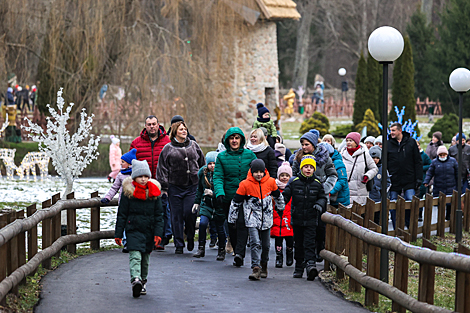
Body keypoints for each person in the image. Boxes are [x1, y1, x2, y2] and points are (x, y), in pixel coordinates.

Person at [114, 159, 164, 298]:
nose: (143, 179)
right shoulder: (128, 193)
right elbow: (122, 214)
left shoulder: (154, 193)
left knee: (145, 259)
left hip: (149, 230)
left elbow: (159, 215)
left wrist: (158, 234)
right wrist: (118, 233)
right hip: (133, 229)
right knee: (135, 255)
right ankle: (135, 279)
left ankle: (143, 281)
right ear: (134, 177)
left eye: (146, 176)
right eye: (140, 176)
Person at [229, 159, 285, 280]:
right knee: (255, 242)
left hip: (267, 217)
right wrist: (232, 219)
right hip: (252, 216)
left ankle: (264, 264)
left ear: (265, 171)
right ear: (251, 172)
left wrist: (280, 208)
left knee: (266, 245)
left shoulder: (270, 182)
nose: (259, 174)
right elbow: (236, 202)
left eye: (261, 172)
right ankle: (255, 267)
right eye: (256, 172)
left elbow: (278, 196)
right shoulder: (245, 184)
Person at [156, 121, 205, 254]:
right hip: (174, 187)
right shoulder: (168, 148)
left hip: (192, 186)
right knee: (176, 216)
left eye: (185, 129)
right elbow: (162, 169)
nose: (184, 131)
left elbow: (202, 164)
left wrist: (203, 180)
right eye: (181, 129)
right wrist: (164, 187)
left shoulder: (194, 145)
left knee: (190, 213)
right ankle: (179, 244)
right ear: (175, 132)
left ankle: (190, 236)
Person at [291, 129, 337, 261]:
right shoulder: (298, 158)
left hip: (319, 197)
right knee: (303, 227)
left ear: (313, 144)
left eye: (306, 144)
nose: (304, 147)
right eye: (302, 144)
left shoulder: (324, 157)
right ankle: (304, 255)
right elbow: (294, 176)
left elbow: (332, 175)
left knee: (320, 226)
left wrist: (324, 189)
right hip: (303, 197)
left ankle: (319, 249)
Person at [214, 127, 257, 267]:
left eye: (237, 138)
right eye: (232, 138)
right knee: (231, 224)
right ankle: (234, 244)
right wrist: (219, 192)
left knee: (242, 223)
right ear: (227, 140)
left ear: (241, 140)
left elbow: (258, 172)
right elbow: (218, 176)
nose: (234, 141)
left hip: (246, 196)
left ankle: (239, 253)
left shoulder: (250, 155)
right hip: (229, 196)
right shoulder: (221, 157)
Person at [282, 155, 327, 281]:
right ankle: (299, 267)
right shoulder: (294, 181)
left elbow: (323, 197)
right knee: (299, 244)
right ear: (301, 168)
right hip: (297, 218)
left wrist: (319, 204)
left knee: (310, 243)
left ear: (314, 169)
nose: (308, 169)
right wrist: (281, 205)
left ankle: (310, 266)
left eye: (311, 167)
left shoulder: (317, 183)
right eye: (306, 167)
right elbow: (286, 195)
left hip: (312, 218)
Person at [130, 115, 171, 247]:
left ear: (158, 124)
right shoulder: (136, 143)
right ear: (145, 126)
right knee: (146, 213)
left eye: (154, 124)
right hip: (143, 183)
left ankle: (162, 238)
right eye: (149, 124)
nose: (152, 126)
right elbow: (130, 163)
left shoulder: (168, 142)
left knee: (162, 211)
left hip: (163, 183)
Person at [192, 151, 226, 261]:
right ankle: (201, 248)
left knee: (220, 228)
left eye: (214, 163)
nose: (212, 166)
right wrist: (197, 202)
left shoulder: (222, 174)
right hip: (206, 204)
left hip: (219, 205)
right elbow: (199, 189)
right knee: (202, 223)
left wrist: (214, 194)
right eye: (210, 163)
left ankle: (222, 249)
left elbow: (224, 190)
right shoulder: (203, 174)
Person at [387, 123, 422, 229]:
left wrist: (418, 178)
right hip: (394, 180)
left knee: (410, 203)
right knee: (393, 204)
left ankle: (409, 226)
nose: (391, 133)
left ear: (400, 131)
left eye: (393, 130)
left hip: (409, 179)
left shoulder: (411, 142)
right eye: (391, 130)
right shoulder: (388, 144)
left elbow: (418, 161)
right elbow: (386, 162)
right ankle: (396, 228)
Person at [102, 148, 137, 252]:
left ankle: (134, 241)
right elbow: (114, 188)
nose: (121, 164)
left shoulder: (136, 175)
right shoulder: (121, 175)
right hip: (123, 204)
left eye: (123, 162)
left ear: (130, 163)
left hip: (135, 203)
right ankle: (126, 242)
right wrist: (107, 198)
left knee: (134, 223)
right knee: (125, 222)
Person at [340, 132, 378, 205]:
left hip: (360, 192)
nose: (348, 142)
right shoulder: (342, 154)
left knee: (359, 214)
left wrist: (367, 176)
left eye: (351, 141)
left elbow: (374, 168)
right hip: (346, 191)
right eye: (347, 140)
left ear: (356, 142)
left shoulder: (364, 154)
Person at [424, 146, 458, 220]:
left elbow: (457, 174)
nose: (442, 156)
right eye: (440, 155)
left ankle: (448, 218)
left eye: (444, 155)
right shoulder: (434, 162)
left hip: (450, 186)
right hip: (439, 186)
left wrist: (459, 185)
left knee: (450, 203)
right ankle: (441, 219)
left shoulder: (453, 161)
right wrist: (426, 181)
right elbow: (430, 173)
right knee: (440, 204)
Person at [271, 161, 294, 268]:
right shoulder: (275, 189)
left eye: (287, 175)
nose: (284, 178)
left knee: (290, 240)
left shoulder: (292, 188)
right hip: (277, 217)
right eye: (282, 175)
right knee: (278, 240)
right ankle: (279, 257)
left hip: (289, 218)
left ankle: (290, 254)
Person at [368, 146, 391, 224]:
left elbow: (388, 182)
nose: (375, 160)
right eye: (373, 158)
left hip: (378, 197)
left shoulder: (382, 169)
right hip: (368, 197)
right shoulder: (367, 168)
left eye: (377, 158)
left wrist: (383, 192)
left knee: (377, 218)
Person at [324, 143, 350, 208]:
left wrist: (330, 191)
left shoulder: (338, 163)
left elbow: (342, 180)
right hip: (330, 198)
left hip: (340, 199)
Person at [417, 140, 432, 222]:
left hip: (422, 178)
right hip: (412, 178)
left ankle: (419, 214)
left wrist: (421, 169)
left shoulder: (424, 155)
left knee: (420, 197)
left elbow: (430, 164)